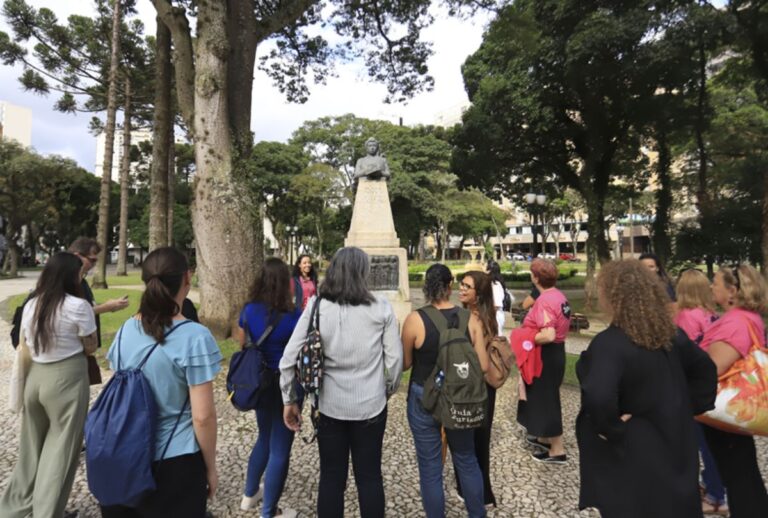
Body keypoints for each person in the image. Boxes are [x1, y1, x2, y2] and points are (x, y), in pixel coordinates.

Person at [576, 259, 717, 518]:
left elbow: (598, 395)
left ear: (612, 296)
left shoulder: (611, 343)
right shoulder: (671, 335)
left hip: (634, 450)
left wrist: (612, 428)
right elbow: (706, 370)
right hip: (675, 442)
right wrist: (687, 408)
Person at [280, 247, 402, 518]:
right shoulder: (381, 307)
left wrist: (289, 399)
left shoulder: (317, 305)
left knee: (332, 478)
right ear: (364, 272)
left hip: (329, 407)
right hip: (370, 406)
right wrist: (386, 391)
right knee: (369, 477)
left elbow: (288, 359)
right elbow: (394, 362)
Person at [100, 247, 221, 517]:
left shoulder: (124, 330)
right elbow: (203, 417)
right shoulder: (195, 337)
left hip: (124, 454)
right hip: (175, 460)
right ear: (187, 279)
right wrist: (210, 468)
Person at [0, 253, 98, 518]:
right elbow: (91, 346)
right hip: (66, 378)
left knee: (31, 447)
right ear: (71, 275)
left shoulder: (33, 304)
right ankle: (46, 512)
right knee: (62, 449)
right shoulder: (79, 306)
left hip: (36, 378)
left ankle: (14, 508)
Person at [400, 264, 489, 518]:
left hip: (424, 396)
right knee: (467, 460)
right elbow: (482, 365)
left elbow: (405, 363)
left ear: (426, 287)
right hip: (461, 398)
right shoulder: (469, 319)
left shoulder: (414, 320)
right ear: (450, 286)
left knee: (430, 468)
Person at [699, 265, 768, 518]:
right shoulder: (747, 318)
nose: (710, 286)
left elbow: (714, 367)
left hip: (726, 411)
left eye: (715, 282)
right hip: (735, 410)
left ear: (732, 291)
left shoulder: (735, 321)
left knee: (739, 477)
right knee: (743, 474)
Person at [239, 258, 304, 518]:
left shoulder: (248, 310)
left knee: (263, 437)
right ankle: (269, 512)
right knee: (280, 448)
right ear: (285, 284)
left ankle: (249, 494)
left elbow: (242, 344)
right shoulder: (294, 316)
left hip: (258, 382)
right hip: (284, 384)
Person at [674, 268, 727, 515]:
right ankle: (715, 487)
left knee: (694, 443)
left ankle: (713, 493)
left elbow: (683, 354)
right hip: (712, 386)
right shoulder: (712, 314)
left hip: (690, 387)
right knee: (710, 444)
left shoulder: (685, 316)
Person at [518, 258, 570, 463]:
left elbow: (548, 335)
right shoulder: (559, 296)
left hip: (546, 354)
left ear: (536, 277)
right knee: (547, 396)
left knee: (548, 399)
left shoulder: (545, 301)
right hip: (557, 352)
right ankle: (544, 436)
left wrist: (526, 338)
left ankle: (557, 449)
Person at [455, 271, 498, 508]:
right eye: (461, 284)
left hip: (473, 384)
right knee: (479, 437)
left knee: (470, 439)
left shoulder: (473, 319)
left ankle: (475, 492)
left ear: (478, 293)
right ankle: (480, 491)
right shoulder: (486, 315)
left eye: (467, 287)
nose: (461, 289)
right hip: (483, 386)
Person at [68, 237, 130, 348]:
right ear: (77, 256)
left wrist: (111, 305)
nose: (94, 265)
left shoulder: (82, 282)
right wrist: (106, 307)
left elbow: (87, 306)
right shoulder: (66, 284)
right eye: (92, 260)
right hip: (74, 347)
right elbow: (74, 312)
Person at [486, 261, 509, 336]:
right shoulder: (492, 284)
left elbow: (496, 304)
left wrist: (489, 316)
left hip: (495, 317)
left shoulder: (495, 285)